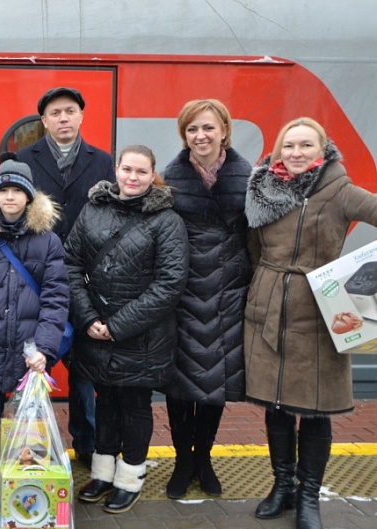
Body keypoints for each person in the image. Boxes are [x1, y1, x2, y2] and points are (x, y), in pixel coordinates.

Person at [244, 117, 377, 529]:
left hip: (323, 312)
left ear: (323, 150)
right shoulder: (262, 189)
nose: (296, 153)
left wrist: (365, 274)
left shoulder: (340, 191)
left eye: (305, 145)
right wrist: (263, 289)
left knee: (316, 411)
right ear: (278, 150)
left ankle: (308, 497)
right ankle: (281, 486)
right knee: (276, 405)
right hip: (267, 309)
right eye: (289, 146)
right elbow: (251, 247)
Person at [67, 145, 188, 514]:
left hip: (142, 336)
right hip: (96, 330)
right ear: (115, 170)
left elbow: (170, 284)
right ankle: (103, 473)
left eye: (141, 172)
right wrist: (88, 319)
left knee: (135, 406)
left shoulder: (167, 221)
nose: (132, 178)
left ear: (153, 176)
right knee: (106, 404)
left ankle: (129, 477)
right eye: (126, 169)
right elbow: (71, 263)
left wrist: (117, 326)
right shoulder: (93, 209)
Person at [0, 153, 69, 509]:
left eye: (17, 191)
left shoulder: (47, 241)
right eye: (3, 190)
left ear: (28, 197)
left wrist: (46, 348)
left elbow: (55, 299)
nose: (9, 197)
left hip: (31, 351)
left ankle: (24, 474)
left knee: (29, 417)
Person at [16, 86, 115, 468]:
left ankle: (86, 444)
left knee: (84, 367)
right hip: (36, 277)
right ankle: (29, 440)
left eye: (70, 111)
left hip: (88, 277)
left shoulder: (102, 161)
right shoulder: (25, 158)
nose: (63, 118)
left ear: (81, 116)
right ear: (43, 121)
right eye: (55, 113)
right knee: (33, 359)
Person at [161, 99, 253, 499]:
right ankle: (183, 461)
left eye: (208, 128)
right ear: (184, 135)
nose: (201, 136)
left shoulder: (247, 178)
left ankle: (205, 459)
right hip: (183, 293)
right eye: (192, 129)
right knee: (181, 386)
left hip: (229, 295)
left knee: (215, 383)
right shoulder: (169, 178)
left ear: (224, 132)